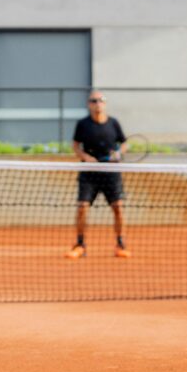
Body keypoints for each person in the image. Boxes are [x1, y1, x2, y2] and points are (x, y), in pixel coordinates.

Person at [66, 91, 132, 259]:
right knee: (82, 207)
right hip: (89, 173)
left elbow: (124, 144)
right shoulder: (83, 124)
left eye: (101, 100)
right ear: (89, 104)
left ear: (105, 103)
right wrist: (86, 158)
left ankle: (120, 244)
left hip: (111, 173)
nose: (97, 104)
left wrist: (118, 153)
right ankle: (80, 244)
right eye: (94, 101)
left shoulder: (113, 123)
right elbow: (75, 146)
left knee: (118, 207)